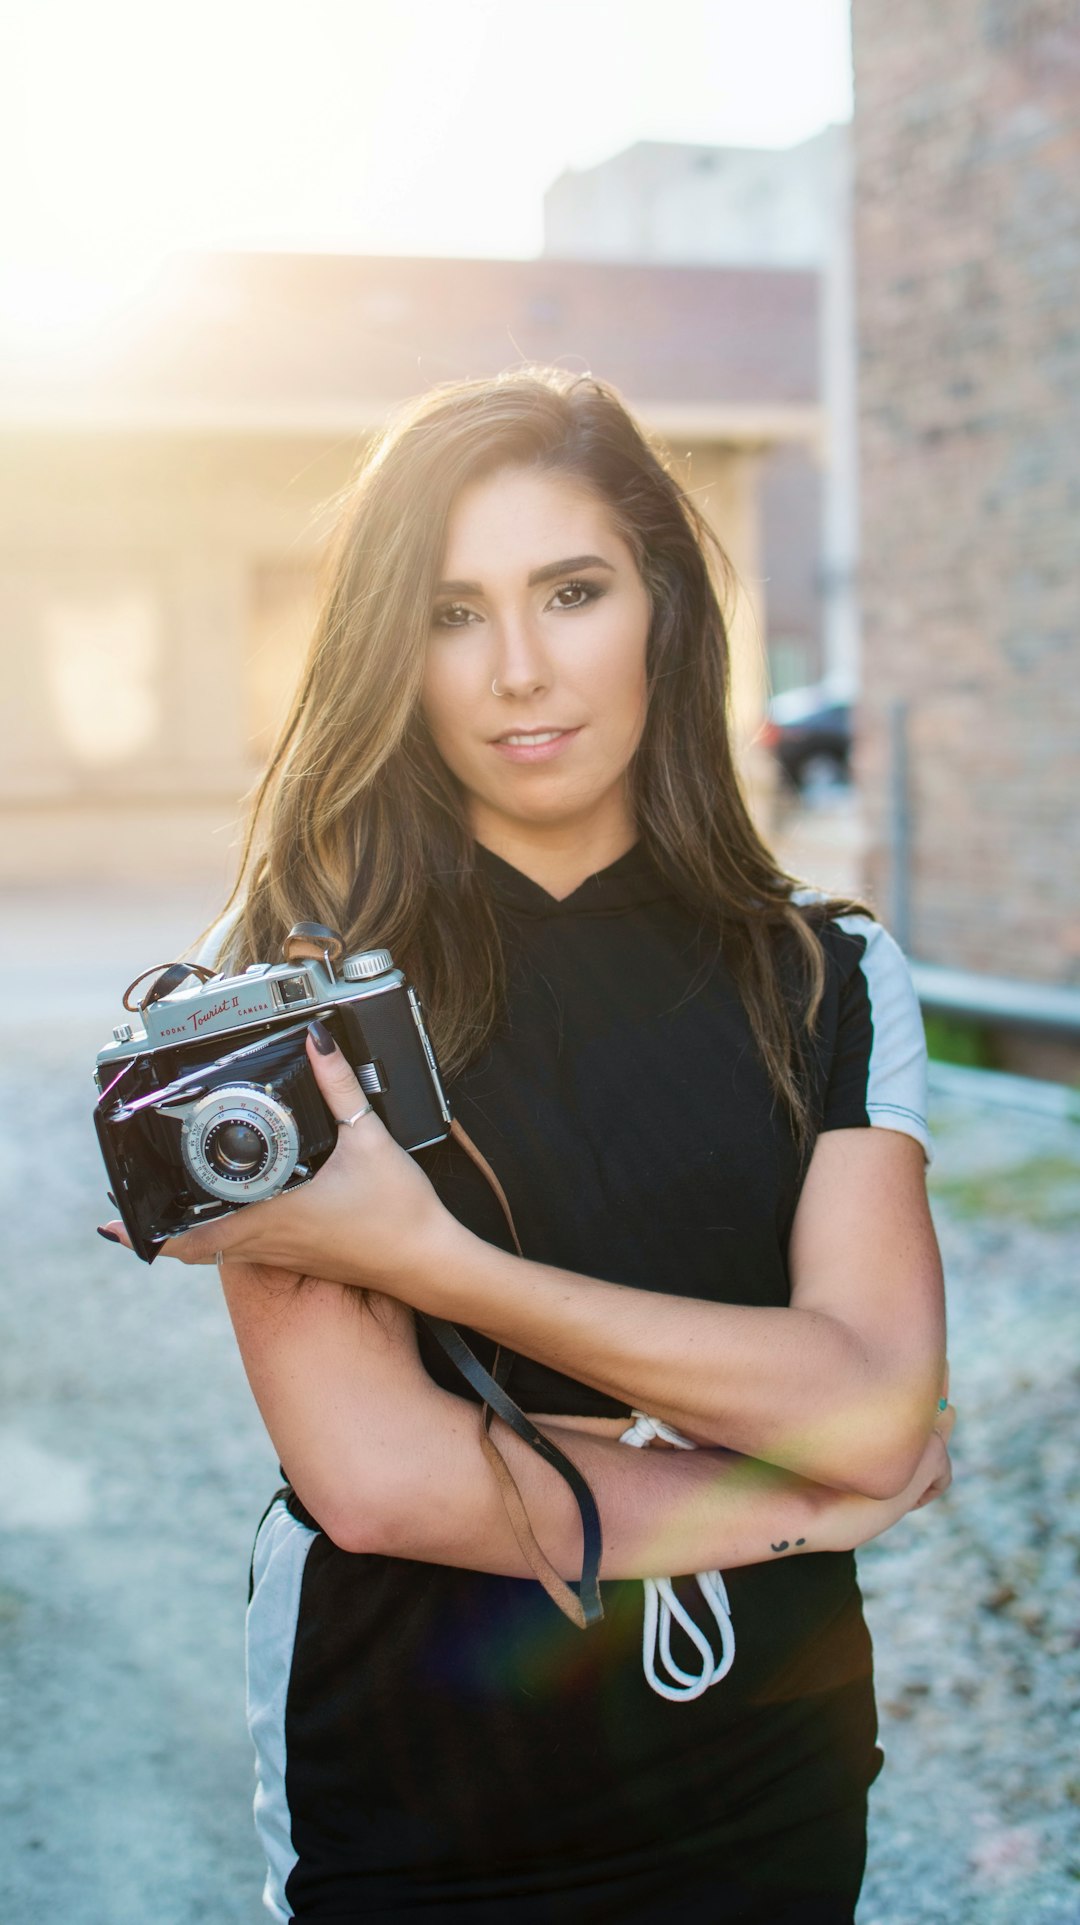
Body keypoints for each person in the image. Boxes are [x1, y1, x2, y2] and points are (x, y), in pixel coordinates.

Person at [101, 367, 952, 1924]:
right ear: (389, 648)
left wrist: (432, 1265)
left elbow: (880, 1400)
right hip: (420, 1790)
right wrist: (807, 1491)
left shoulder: (827, 971)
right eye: (450, 613)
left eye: (572, 590)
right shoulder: (269, 1003)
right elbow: (380, 1479)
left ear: (664, 607)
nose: (517, 669)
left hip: (768, 1763)